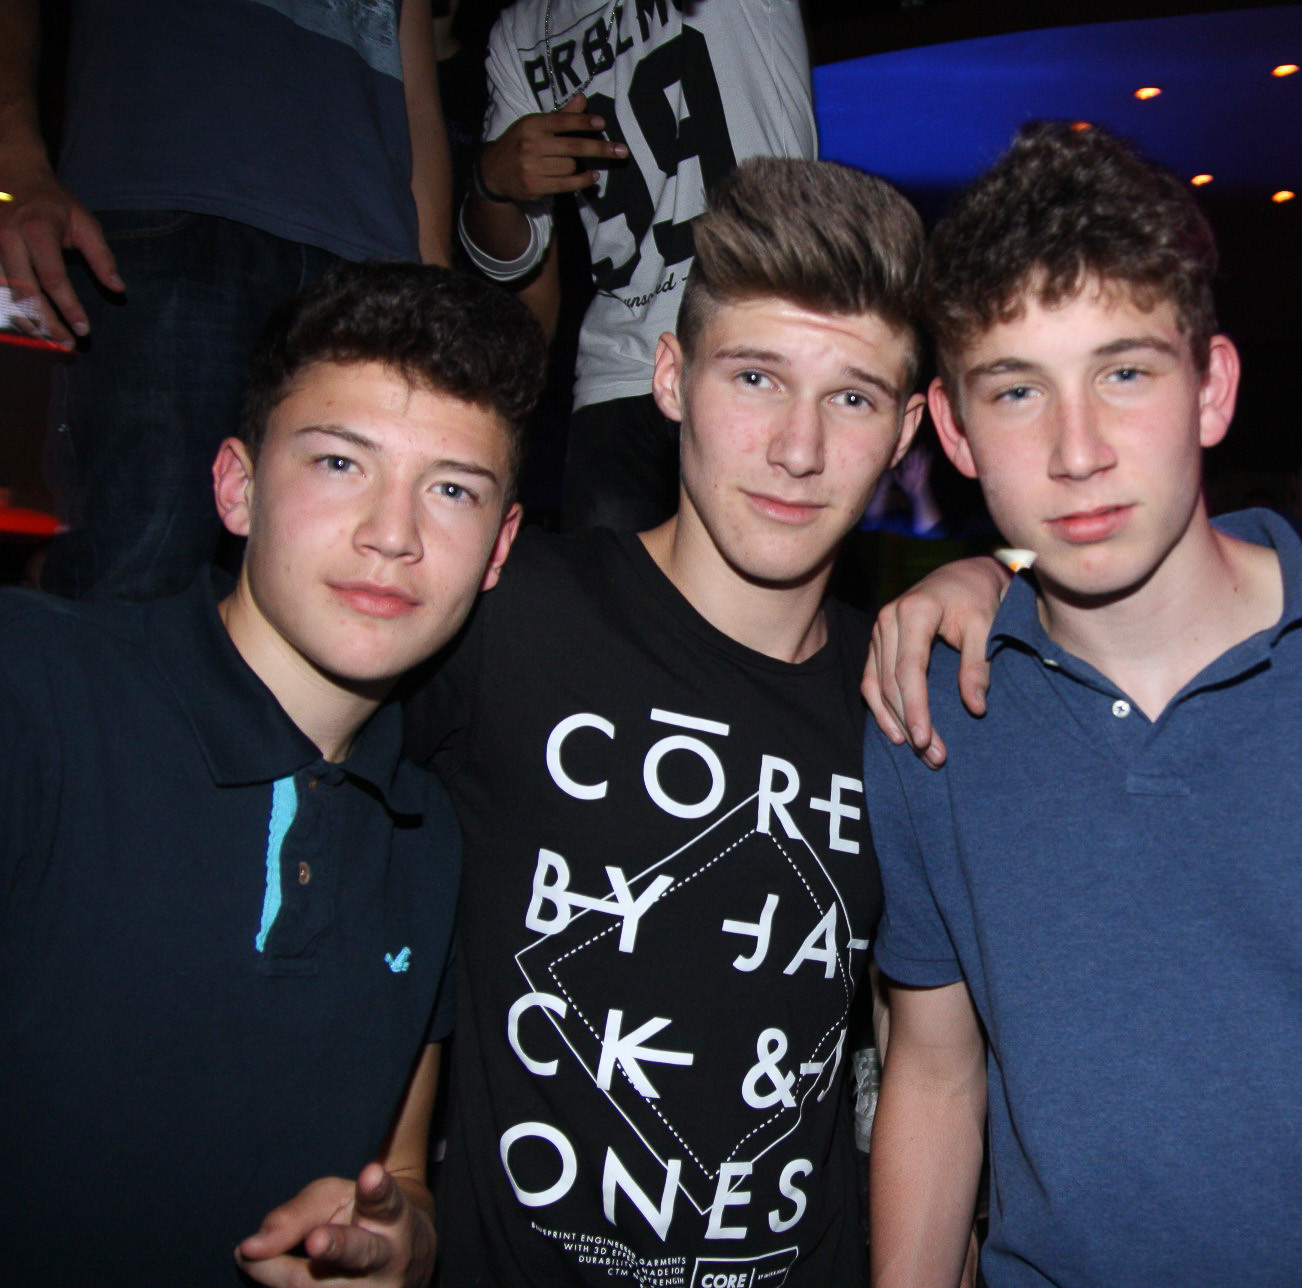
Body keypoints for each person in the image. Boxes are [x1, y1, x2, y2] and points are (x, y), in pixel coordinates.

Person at [865, 122, 1302, 1288]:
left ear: (1211, 389)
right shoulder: (933, 709)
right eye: (1017, 391)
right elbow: (935, 1070)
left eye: (1124, 373)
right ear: (955, 431)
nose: (1076, 450)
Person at [407, 156, 924, 1286]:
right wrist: (393, 1173)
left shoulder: (910, 699)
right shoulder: (510, 614)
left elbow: (928, 1050)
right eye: (755, 377)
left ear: (906, 430)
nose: (798, 448)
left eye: (852, 397)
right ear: (672, 377)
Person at [0, 261, 539, 1285]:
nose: (393, 534)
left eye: (452, 489)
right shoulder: (36, 693)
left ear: (500, 546)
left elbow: (404, 1175)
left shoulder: (427, 833)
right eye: (340, 463)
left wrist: (403, 1244)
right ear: (236, 487)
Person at [0, 0, 452, 601]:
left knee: (337, 586)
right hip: (169, 193)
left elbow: (416, 98)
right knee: (134, 574)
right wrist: (17, 162)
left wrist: (438, 298)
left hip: (371, 259)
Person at [462, 0, 815, 533]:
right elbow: (513, 260)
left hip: (760, 328)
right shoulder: (519, 30)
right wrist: (492, 184)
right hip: (620, 366)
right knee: (609, 586)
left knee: (759, 575)